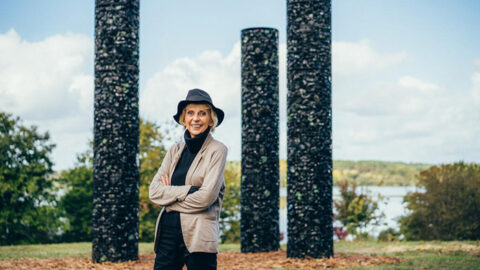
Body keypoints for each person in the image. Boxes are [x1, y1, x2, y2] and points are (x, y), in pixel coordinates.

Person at [149, 88, 227, 270]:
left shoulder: (218, 150)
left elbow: (207, 197)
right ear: (184, 118)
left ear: (210, 119)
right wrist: (189, 190)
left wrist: (169, 200)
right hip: (167, 233)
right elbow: (154, 191)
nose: (196, 118)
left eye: (202, 113)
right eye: (190, 113)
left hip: (199, 234)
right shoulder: (174, 150)